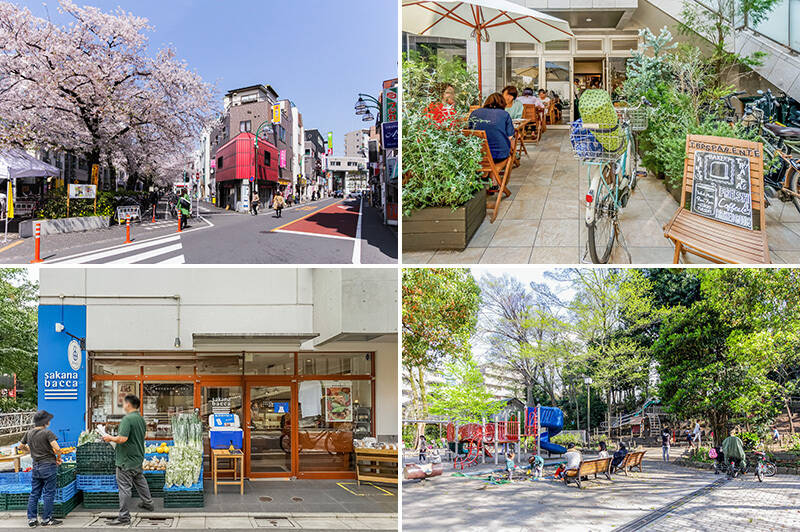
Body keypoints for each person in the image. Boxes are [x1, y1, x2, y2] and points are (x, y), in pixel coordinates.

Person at [102, 395, 153, 526]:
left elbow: (122, 439)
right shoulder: (140, 419)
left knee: (124, 488)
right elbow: (145, 435)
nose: (123, 405)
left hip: (125, 460)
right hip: (137, 457)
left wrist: (109, 438)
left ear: (128, 404)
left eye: (124, 403)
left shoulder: (127, 419)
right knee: (140, 480)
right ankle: (148, 503)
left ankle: (124, 517)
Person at [19, 410, 62, 528]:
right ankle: (46, 519)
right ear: (45, 422)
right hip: (48, 465)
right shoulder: (47, 433)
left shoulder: (29, 433)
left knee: (34, 493)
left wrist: (31, 451)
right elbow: (57, 449)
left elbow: (21, 446)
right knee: (48, 493)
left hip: (36, 466)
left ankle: (32, 519)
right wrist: (58, 458)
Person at [468, 93, 515, 166]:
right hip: (499, 155)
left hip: (477, 155)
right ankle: (493, 175)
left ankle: (488, 175)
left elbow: (470, 131)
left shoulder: (475, 113)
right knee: (511, 140)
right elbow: (510, 137)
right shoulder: (504, 114)